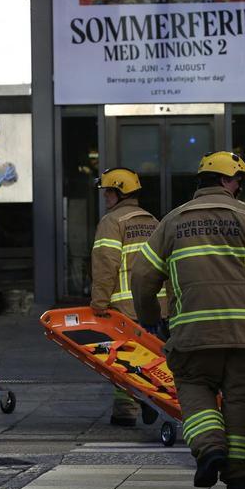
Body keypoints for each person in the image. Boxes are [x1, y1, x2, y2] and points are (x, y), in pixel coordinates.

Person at [132, 151, 245, 489]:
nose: (239, 187)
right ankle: (238, 474)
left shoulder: (171, 222)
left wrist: (149, 319)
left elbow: (143, 275)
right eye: (238, 180)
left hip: (193, 335)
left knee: (193, 388)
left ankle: (209, 449)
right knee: (242, 400)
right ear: (223, 180)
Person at [89, 167, 166, 427]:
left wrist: (99, 303)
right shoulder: (153, 222)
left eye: (108, 192)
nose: (105, 197)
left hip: (125, 308)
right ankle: (151, 399)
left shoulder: (112, 223)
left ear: (120, 192)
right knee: (150, 359)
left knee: (122, 360)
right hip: (156, 307)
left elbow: (105, 266)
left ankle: (127, 410)